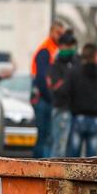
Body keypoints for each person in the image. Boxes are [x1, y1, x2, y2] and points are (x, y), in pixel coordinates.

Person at [65, 43, 97, 157]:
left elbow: (67, 92)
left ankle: (73, 175)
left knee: (73, 157)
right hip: (96, 119)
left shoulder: (74, 72)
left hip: (78, 117)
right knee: (92, 158)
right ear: (96, 55)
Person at [31, 22, 66, 159]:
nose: (60, 36)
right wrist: (51, 99)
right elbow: (41, 78)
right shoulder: (45, 50)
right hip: (43, 99)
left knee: (48, 137)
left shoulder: (54, 49)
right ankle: (40, 168)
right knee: (44, 137)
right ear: (51, 32)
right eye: (58, 33)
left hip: (45, 98)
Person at [47, 32, 78, 158]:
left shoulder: (77, 62)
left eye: (71, 45)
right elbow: (56, 88)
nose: (69, 48)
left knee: (73, 149)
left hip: (76, 109)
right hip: (61, 108)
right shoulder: (55, 65)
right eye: (66, 45)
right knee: (59, 146)